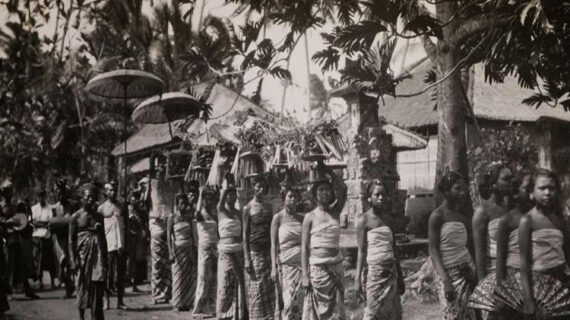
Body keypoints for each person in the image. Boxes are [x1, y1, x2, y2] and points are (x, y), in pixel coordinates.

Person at [519, 169, 570, 318]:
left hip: (561, 281)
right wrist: (528, 299)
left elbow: (566, 254)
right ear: (531, 193)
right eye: (542, 188)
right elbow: (524, 263)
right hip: (539, 284)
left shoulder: (560, 221)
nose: (547, 192)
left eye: (551, 188)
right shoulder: (527, 221)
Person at [301, 161, 348, 320]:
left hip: (336, 266)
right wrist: (305, 275)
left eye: (328, 189)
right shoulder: (309, 217)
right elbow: (304, 248)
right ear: (315, 193)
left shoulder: (336, 211)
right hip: (318, 269)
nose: (325, 193)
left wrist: (328, 170)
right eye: (321, 189)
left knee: (336, 312)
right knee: (318, 312)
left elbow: (344, 188)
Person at [428, 171, 477, 320]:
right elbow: (433, 250)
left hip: (467, 271)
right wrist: (446, 281)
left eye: (464, 188)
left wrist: (474, 274)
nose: (463, 193)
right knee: (453, 315)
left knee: (470, 315)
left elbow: (469, 246)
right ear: (446, 190)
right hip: (448, 274)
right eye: (457, 188)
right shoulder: (437, 216)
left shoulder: (463, 216)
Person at [355, 179, 404, 320]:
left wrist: (400, 277)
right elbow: (362, 251)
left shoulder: (389, 220)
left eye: (383, 194)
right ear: (370, 198)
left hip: (391, 274)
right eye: (377, 195)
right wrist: (357, 279)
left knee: (392, 313)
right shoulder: (364, 220)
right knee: (373, 312)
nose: (381, 198)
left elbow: (394, 249)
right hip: (374, 275)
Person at [69, 183, 108, 320]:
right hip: (82, 258)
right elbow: (71, 240)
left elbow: (103, 238)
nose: (91, 200)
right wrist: (73, 260)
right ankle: (82, 318)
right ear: (82, 199)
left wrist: (105, 258)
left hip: (97, 259)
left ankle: (95, 317)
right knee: (81, 287)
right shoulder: (76, 217)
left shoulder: (99, 216)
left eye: (93, 197)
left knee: (97, 287)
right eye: (88, 197)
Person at [243, 175, 276, 320]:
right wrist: (246, 258)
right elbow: (244, 235)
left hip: (268, 252)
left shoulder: (268, 207)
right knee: (255, 290)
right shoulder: (247, 208)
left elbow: (272, 230)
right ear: (253, 187)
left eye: (263, 186)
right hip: (254, 253)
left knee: (268, 289)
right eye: (258, 186)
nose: (261, 189)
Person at [473, 163, 512, 281]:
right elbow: (480, 253)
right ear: (493, 183)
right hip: (493, 272)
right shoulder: (482, 212)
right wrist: (483, 284)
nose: (511, 183)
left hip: (515, 269)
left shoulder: (511, 207)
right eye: (506, 179)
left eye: (512, 179)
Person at [0, 181, 39, 300]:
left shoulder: (15, 205)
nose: (11, 194)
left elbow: (21, 220)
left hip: (16, 237)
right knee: (8, 265)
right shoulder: (1, 205)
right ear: (4, 193)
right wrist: (7, 223)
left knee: (21, 264)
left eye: (11, 191)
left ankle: (27, 290)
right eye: (9, 191)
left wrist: (23, 224)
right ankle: (8, 292)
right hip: (5, 237)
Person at [216, 176, 248, 320]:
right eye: (229, 193)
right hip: (225, 251)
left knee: (238, 283)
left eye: (234, 193)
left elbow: (243, 233)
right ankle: (223, 315)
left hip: (238, 251)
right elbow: (222, 197)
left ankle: (238, 314)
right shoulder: (220, 210)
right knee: (224, 284)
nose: (231, 196)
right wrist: (227, 183)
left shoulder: (239, 213)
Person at [271, 185, 304, 320]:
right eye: (290, 197)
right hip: (286, 264)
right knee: (289, 301)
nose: (293, 199)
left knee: (302, 301)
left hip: (302, 263)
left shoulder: (302, 218)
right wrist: (273, 267)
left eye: (296, 197)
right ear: (283, 199)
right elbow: (273, 245)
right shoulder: (277, 218)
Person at [147, 155, 174, 304]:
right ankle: (156, 294)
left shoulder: (169, 187)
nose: (160, 172)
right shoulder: (152, 186)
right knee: (157, 263)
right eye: (158, 170)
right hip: (156, 226)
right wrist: (152, 162)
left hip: (168, 225)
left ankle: (167, 293)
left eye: (163, 169)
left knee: (167, 263)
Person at [97, 182, 127, 310]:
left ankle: (120, 301)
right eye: (110, 190)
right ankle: (106, 300)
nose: (112, 192)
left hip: (120, 243)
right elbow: (98, 229)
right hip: (108, 244)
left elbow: (126, 225)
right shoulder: (101, 208)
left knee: (120, 273)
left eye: (114, 190)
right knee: (107, 273)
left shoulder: (121, 206)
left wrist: (127, 243)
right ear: (105, 192)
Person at [167, 194, 197, 312]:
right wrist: (170, 252)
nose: (184, 206)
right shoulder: (172, 217)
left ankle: (188, 302)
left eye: (185, 203)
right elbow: (169, 236)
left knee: (190, 275)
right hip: (178, 249)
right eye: (181, 203)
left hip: (189, 248)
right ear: (177, 205)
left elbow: (192, 235)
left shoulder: (189, 217)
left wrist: (194, 250)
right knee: (178, 275)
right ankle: (177, 303)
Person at [193, 186, 218, 315]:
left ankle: (211, 307)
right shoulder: (200, 213)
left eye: (211, 200)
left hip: (215, 248)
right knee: (203, 277)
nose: (209, 202)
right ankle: (199, 307)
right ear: (203, 201)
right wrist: (200, 193)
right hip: (204, 248)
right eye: (206, 200)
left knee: (213, 278)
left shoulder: (215, 214)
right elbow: (197, 214)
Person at [51, 179, 75, 298]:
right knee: (62, 264)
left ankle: (70, 287)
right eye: (59, 193)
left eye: (63, 193)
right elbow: (53, 224)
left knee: (70, 264)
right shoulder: (55, 208)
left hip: (70, 237)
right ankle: (68, 285)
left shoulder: (72, 205)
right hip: (60, 239)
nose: (61, 196)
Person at [31, 190, 56, 290]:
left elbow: (50, 221)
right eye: (40, 197)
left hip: (47, 236)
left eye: (43, 196)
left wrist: (40, 222)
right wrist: (42, 223)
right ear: (37, 197)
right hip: (37, 237)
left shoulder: (49, 208)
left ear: (45, 197)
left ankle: (52, 282)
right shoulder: (34, 208)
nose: (42, 198)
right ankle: (40, 282)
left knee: (50, 260)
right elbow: (33, 221)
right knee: (38, 260)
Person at [126, 194, 146, 293]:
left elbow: (141, 223)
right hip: (129, 238)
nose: (135, 201)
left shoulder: (139, 211)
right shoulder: (127, 209)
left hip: (137, 238)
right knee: (129, 261)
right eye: (133, 199)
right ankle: (128, 282)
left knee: (136, 261)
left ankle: (134, 283)